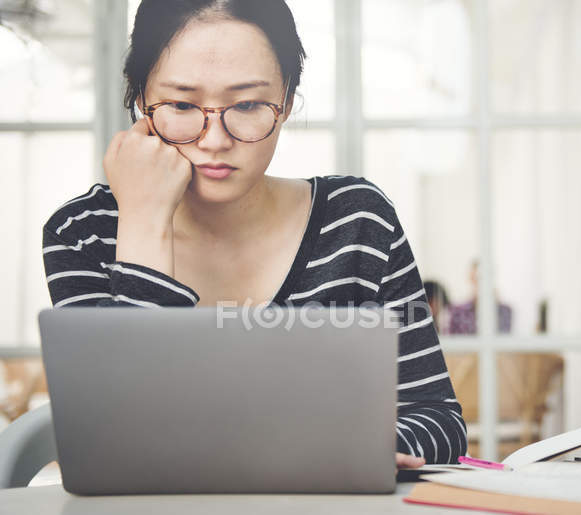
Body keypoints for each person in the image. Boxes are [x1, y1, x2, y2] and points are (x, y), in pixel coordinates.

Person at [41, 0, 467, 468]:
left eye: (246, 104)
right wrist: (144, 222)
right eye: (182, 104)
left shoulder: (359, 222)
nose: (215, 139)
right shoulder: (83, 232)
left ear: (286, 100)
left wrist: (344, 450)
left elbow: (437, 421)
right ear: (140, 100)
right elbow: (117, 440)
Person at [448, 260, 512, 334]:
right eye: (478, 279)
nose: (482, 284)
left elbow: (503, 337)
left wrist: (495, 306)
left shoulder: (505, 310)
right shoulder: (457, 312)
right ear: (471, 279)